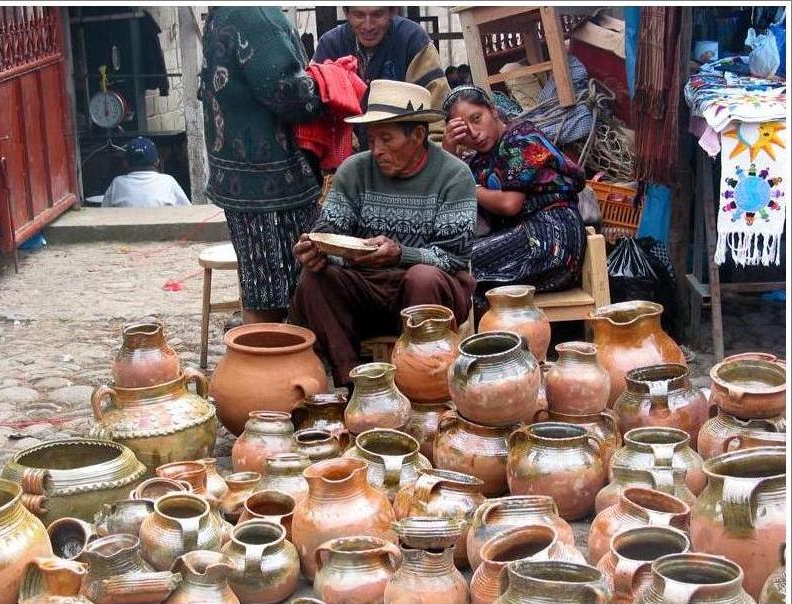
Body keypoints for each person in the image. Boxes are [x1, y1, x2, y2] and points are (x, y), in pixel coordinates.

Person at [292, 80, 477, 387]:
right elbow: (329, 231)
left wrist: (400, 253)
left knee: (423, 277)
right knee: (315, 279)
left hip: (429, 294)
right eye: (371, 139)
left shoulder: (454, 175)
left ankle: (421, 384)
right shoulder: (354, 170)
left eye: (387, 139)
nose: (376, 150)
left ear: (417, 136)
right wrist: (316, 248)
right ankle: (355, 384)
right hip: (367, 289)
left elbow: (455, 257)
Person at [199, 7, 324, 324]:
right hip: (272, 181)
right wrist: (326, 86)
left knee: (261, 285)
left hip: (240, 178)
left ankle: (261, 358)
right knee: (284, 289)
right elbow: (287, 91)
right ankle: (269, 362)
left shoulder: (224, 14)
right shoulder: (254, 15)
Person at [441, 85, 586, 311]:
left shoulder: (523, 138)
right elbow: (448, 197)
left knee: (455, 264)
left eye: (477, 118)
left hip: (551, 240)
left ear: (493, 110)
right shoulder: (478, 161)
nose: (474, 132)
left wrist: (468, 187)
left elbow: (510, 204)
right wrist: (448, 152)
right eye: (464, 130)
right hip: (518, 240)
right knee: (452, 268)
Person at [313, 6, 450, 144]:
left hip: (405, 153)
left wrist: (431, 156)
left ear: (392, 11)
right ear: (347, 13)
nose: (368, 26)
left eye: (377, 15)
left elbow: (436, 112)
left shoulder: (412, 40)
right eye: (359, 15)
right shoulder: (330, 46)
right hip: (345, 154)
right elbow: (316, 111)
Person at [101, 136, 190, 208]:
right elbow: (188, 212)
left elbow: (103, 214)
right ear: (157, 161)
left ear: (125, 163)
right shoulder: (168, 181)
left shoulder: (117, 183)